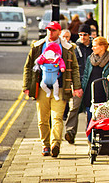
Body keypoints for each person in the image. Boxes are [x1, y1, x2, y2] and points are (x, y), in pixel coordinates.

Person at [23, 21, 83, 157]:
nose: (50, 32)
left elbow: (74, 68)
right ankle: (45, 145)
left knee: (57, 117)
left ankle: (55, 144)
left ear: (59, 31)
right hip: (42, 88)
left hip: (61, 87)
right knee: (42, 119)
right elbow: (28, 67)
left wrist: (77, 87)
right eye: (49, 29)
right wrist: (26, 86)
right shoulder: (38, 46)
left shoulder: (67, 48)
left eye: (54, 30)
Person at [79, 36, 109, 143]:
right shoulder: (90, 59)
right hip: (90, 93)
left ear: (102, 47)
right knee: (91, 118)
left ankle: (106, 141)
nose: (92, 48)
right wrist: (81, 89)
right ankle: (91, 142)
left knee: (105, 120)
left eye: (94, 46)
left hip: (106, 94)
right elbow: (86, 75)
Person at [64, 24, 93, 144]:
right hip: (79, 84)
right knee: (74, 108)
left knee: (91, 110)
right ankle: (70, 132)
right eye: (80, 35)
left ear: (89, 35)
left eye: (85, 35)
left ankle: (91, 135)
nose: (82, 37)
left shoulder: (94, 47)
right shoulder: (75, 48)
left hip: (91, 83)